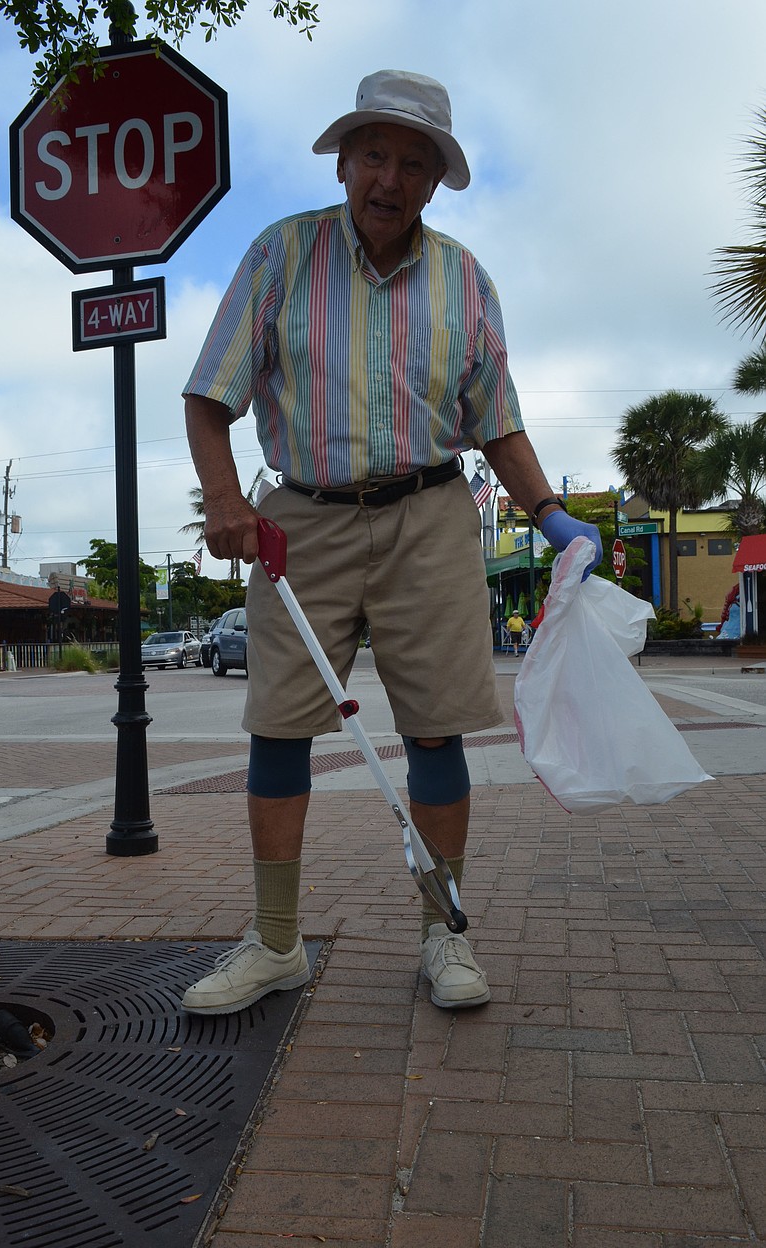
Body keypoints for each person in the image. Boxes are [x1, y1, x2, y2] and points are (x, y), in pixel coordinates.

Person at [181, 69, 602, 1015]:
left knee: (436, 728)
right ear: (343, 160)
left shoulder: (464, 277)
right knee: (280, 729)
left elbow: (497, 418)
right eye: (375, 153)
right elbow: (210, 396)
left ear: (435, 179)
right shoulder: (280, 255)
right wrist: (222, 497)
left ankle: (442, 934)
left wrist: (551, 515)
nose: (390, 177)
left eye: (414, 162)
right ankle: (276, 941)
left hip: (429, 513)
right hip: (303, 520)